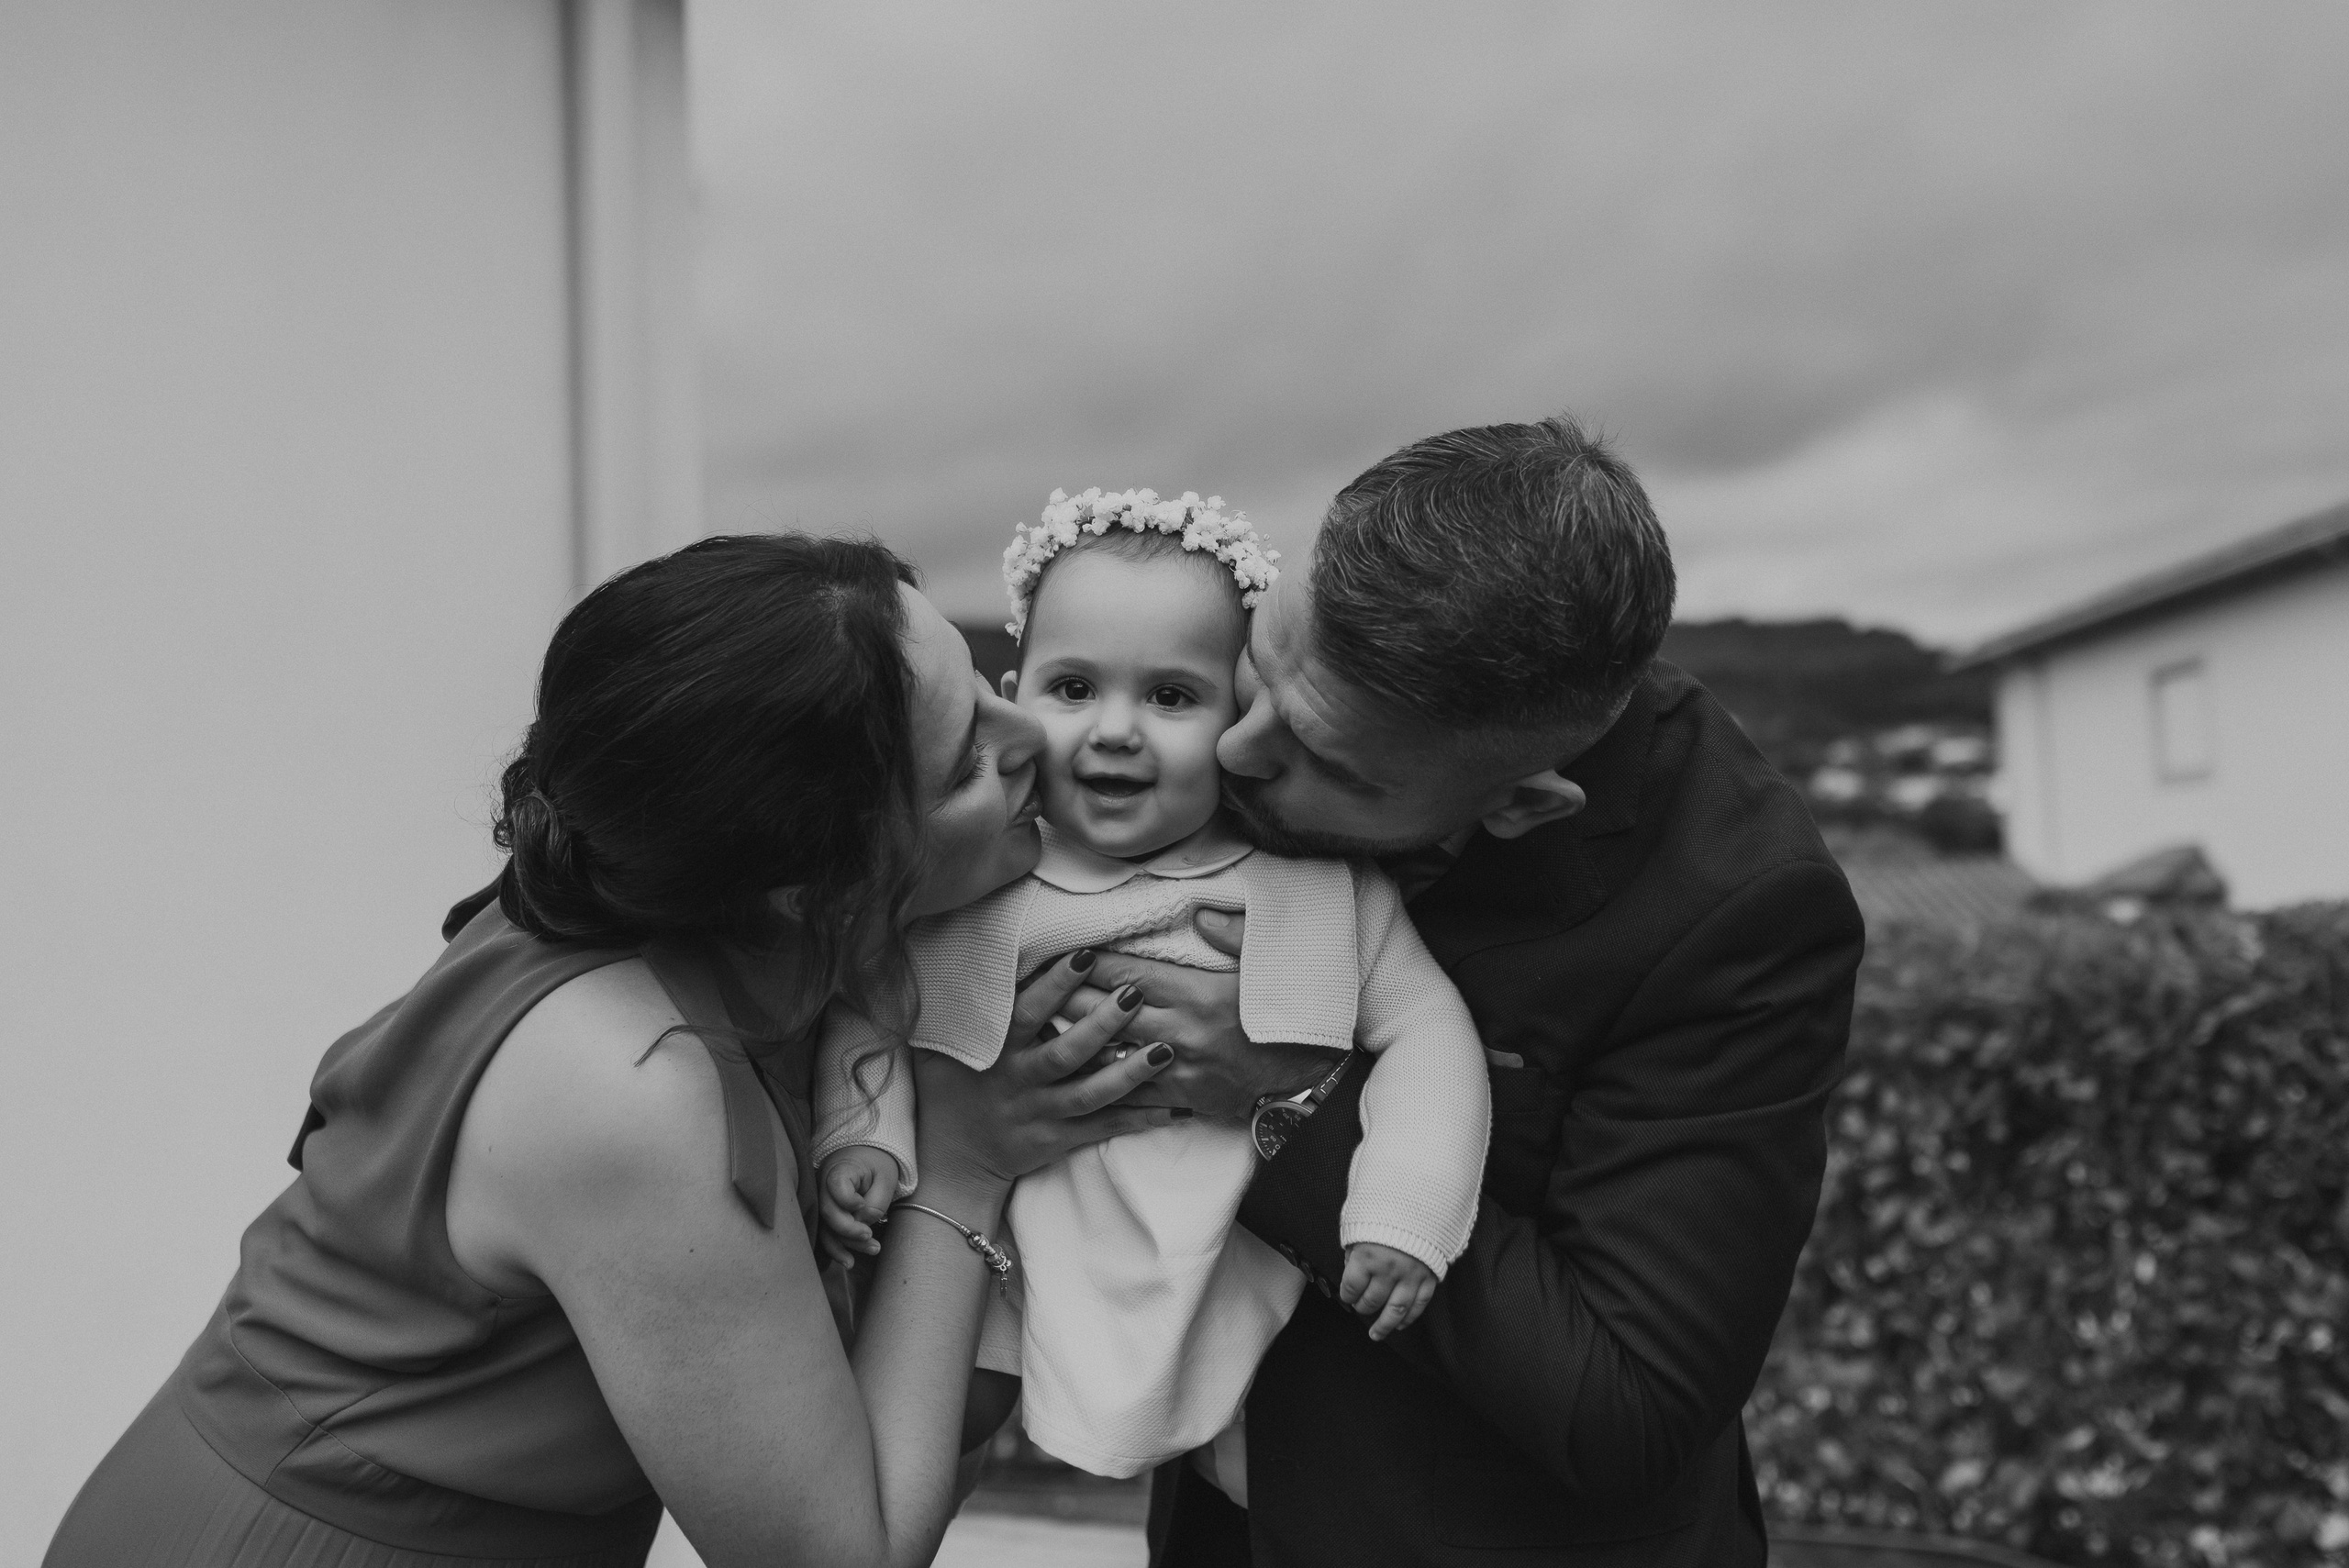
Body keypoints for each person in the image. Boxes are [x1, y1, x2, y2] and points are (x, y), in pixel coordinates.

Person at [43, 534, 1186, 1568]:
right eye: (965, 766)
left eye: (987, 682)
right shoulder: (633, 1084)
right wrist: (974, 1163)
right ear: (808, 884)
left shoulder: (690, 898)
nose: (1036, 730)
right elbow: (847, 1553)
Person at [1076, 418, 1867, 1566]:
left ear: (1523, 805)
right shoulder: (1254, 733)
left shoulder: (1738, 910)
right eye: (1257, 670)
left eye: (1327, 762)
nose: (1236, 754)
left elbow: (1626, 1409)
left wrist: (1279, 1102)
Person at [813, 490, 1489, 1483]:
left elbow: (1429, 1029)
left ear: (1240, 714)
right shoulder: (982, 873)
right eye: (1074, 686)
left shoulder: (1300, 885)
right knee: (932, 1416)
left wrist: (1403, 1208)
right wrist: (858, 1131)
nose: (1117, 730)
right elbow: (868, 1005)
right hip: (1014, 1250)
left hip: (1225, 1258)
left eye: (1171, 696)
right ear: (1015, 692)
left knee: (1316, 1474)